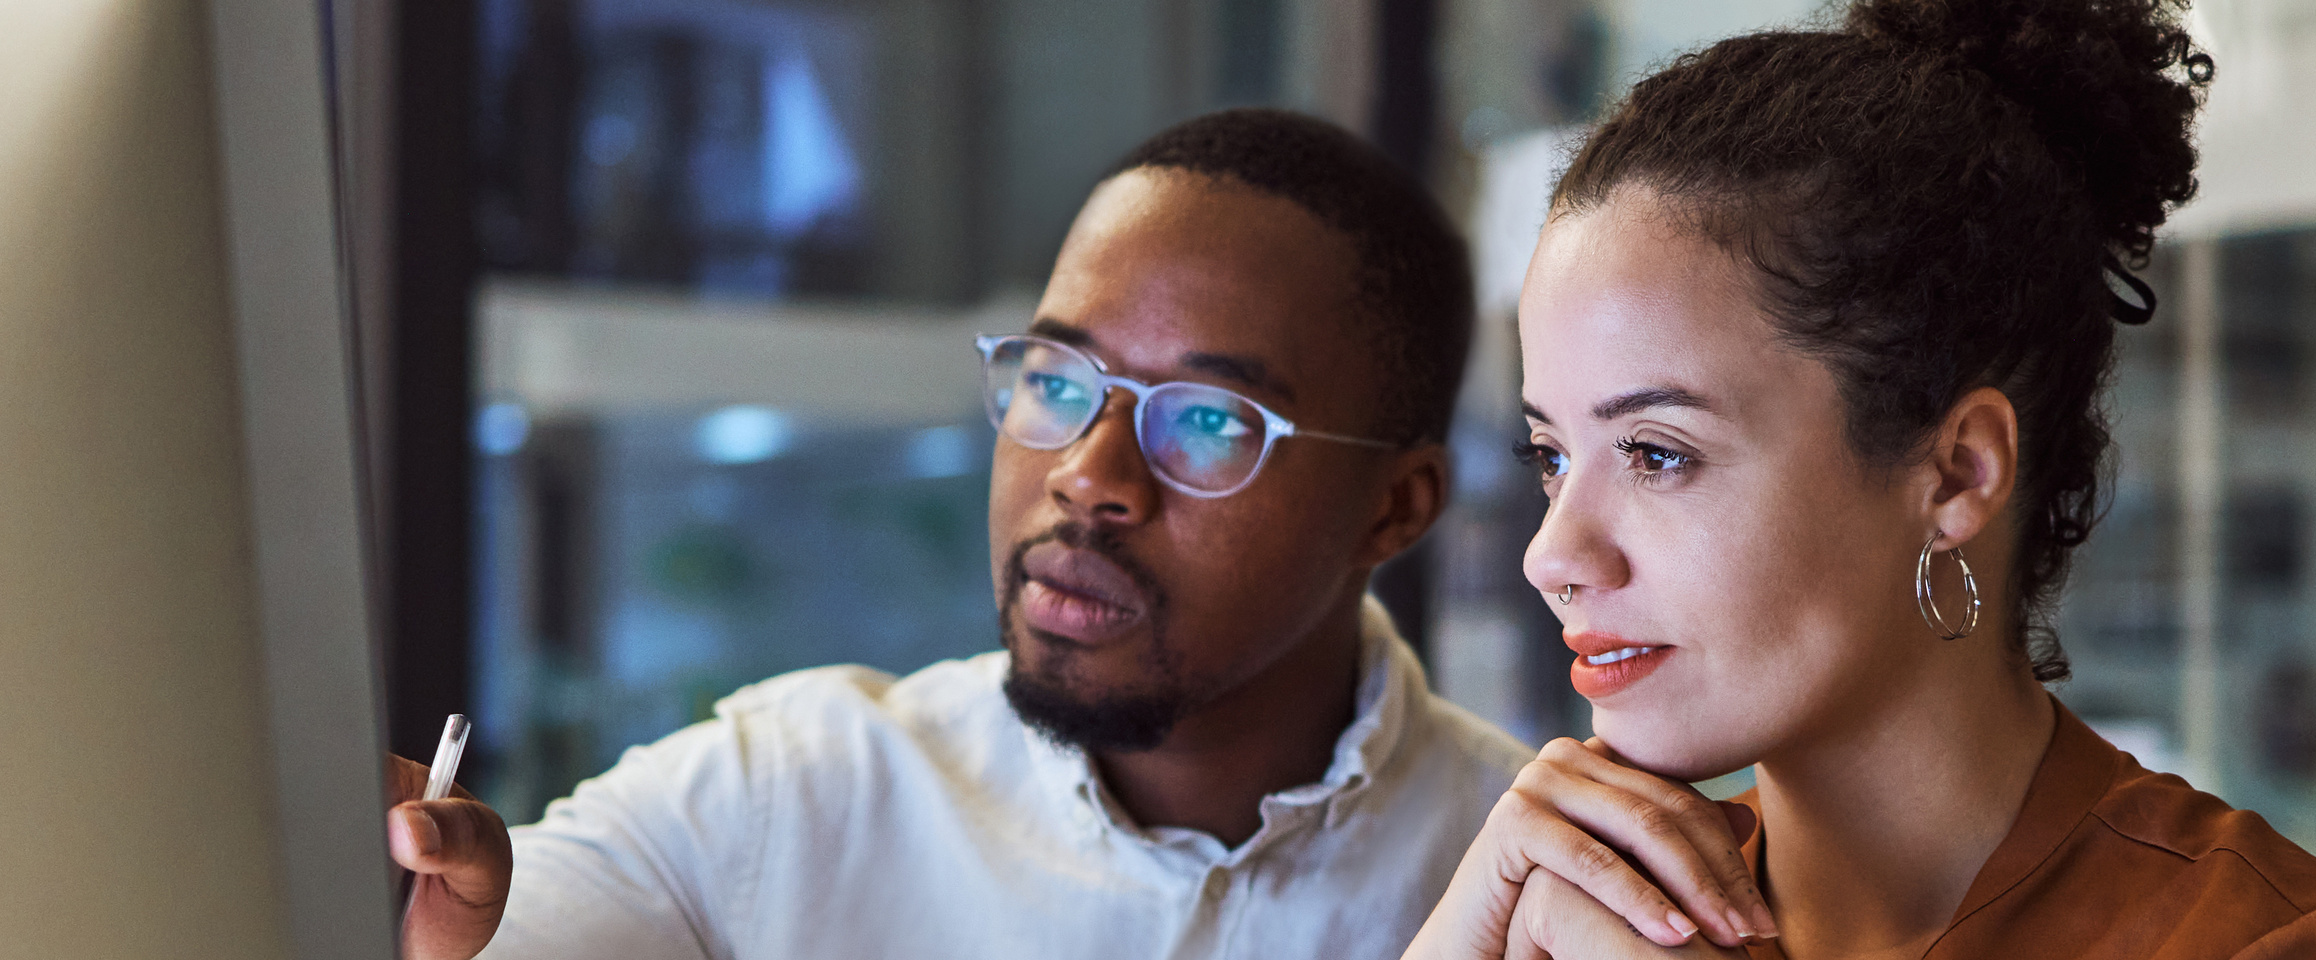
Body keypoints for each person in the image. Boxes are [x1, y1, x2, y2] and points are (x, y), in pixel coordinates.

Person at [384, 108, 1536, 960]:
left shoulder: (1530, 882)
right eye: (1057, 378)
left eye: (1205, 419)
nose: (1091, 476)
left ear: (1396, 507)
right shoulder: (792, 797)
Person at [1401, 1, 2316, 958]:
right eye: (1551, 457)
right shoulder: (1561, 915)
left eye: (1658, 454)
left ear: (1957, 473)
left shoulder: (2261, 939)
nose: (1552, 556)